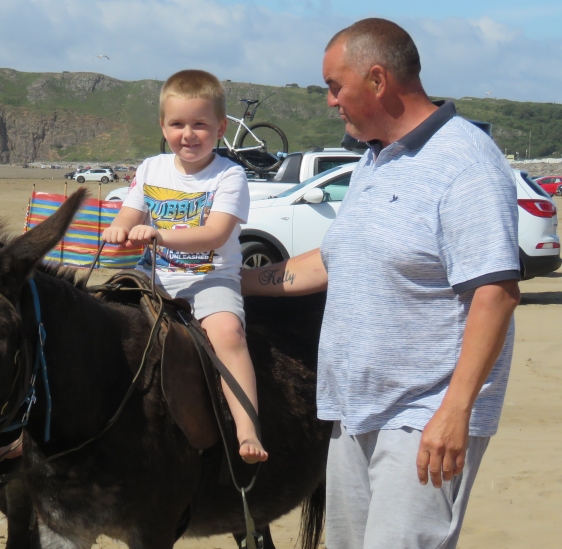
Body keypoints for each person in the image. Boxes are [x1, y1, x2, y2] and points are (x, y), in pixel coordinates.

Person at [241, 18, 520, 548]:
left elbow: (496, 293)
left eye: (334, 86)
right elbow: (331, 262)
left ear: (377, 79)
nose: (330, 102)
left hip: (424, 416)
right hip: (353, 408)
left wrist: (455, 413)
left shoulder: (466, 163)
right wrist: (236, 280)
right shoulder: (374, 159)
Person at [103, 69, 267, 463]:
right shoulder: (151, 169)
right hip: (152, 274)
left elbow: (214, 234)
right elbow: (130, 212)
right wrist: (119, 229)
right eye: (177, 124)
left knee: (228, 334)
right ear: (163, 126)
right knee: (98, 321)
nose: (188, 134)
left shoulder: (230, 175)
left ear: (221, 127)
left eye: (200, 124)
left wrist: (159, 235)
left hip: (211, 277)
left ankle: (248, 427)